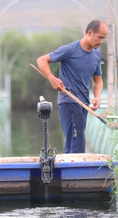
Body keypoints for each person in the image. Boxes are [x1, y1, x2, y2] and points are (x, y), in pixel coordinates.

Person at [36, 19, 108, 154]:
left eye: (104, 38)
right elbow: (41, 60)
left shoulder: (96, 54)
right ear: (90, 33)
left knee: (75, 139)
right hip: (68, 100)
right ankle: (76, 172)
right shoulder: (70, 50)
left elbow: (98, 80)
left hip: (83, 103)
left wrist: (97, 96)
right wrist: (52, 78)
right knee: (76, 140)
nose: (101, 41)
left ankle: (69, 170)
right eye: (100, 37)